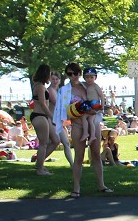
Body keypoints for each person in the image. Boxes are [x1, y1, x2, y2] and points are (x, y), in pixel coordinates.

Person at [68, 63, 111, 198]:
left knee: (96, 155)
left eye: (76, 73)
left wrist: (99, 108)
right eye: (70, 74)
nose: (73, 76)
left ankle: (101, 184)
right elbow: (64, 110)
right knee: (79, 157)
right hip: (77, 125)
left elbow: (100, 100)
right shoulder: (66, 90)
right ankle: (76, 188)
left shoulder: (90, 86)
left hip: (93, 121)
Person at [29, 64, 59, 176]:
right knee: (44, 143)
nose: (50, 76)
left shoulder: (41, 85)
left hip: (43, 116)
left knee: (55, 140)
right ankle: (40, 169)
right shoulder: (40, 87)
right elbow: (42, 103)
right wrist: (51, 117)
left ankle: (39, 163)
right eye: (49, 74)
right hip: (39, 115)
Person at [50, 69, 73, 164]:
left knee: (64, 142)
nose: (55, 81)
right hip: (51, 121)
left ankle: (73, 164)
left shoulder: (58, 91)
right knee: (60, 142)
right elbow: (58, 105)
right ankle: (39, 161)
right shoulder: (51, 90)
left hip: (56, 121)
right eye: (53, 79)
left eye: (56, 79)